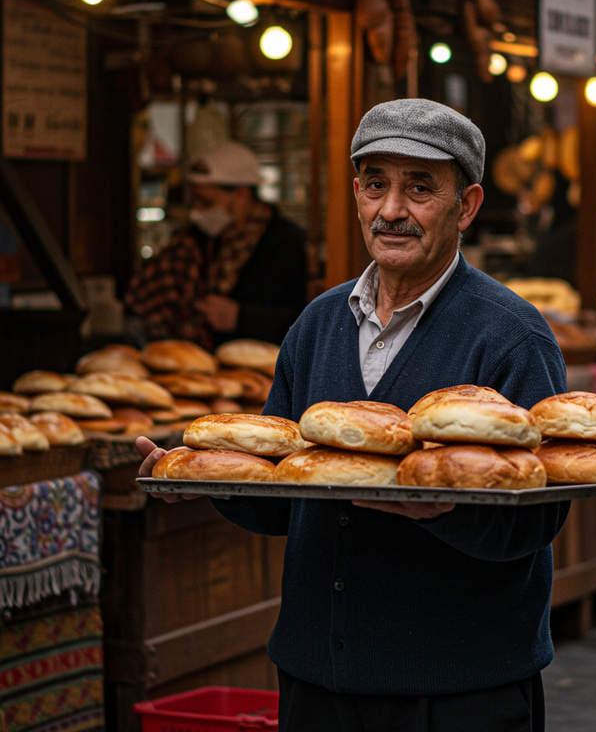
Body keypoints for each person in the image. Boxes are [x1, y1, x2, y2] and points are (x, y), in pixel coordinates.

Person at [137, 98, 569, 731]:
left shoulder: (510, 337)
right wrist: (204, 480)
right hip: (318, 682)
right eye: (375, 185)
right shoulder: (317, 325)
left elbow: (536, 520)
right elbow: (285, 491)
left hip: (455, 689)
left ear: (467, 205)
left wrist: (442, 509)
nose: (391, 210)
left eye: (419, 188)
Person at [124, 139, 308, 349]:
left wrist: (240, 317)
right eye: (195, 201)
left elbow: (304, 319)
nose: (198, 211)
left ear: (241, 195)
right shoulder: (195, 240)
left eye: (207, 202)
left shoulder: (285, 243)